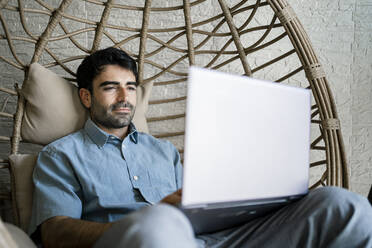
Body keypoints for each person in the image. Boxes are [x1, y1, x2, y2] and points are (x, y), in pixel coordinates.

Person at [29, 47, 372, 248]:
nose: (124, 98)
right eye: (111, 88)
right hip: (147, 240)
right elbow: (53, 230)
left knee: (343, 206)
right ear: (86, 96)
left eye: (131, 87)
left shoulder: (164, 151)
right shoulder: (61, 155)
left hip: (215, 239)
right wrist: (137, 224)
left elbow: (196, 205)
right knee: (160, 226)